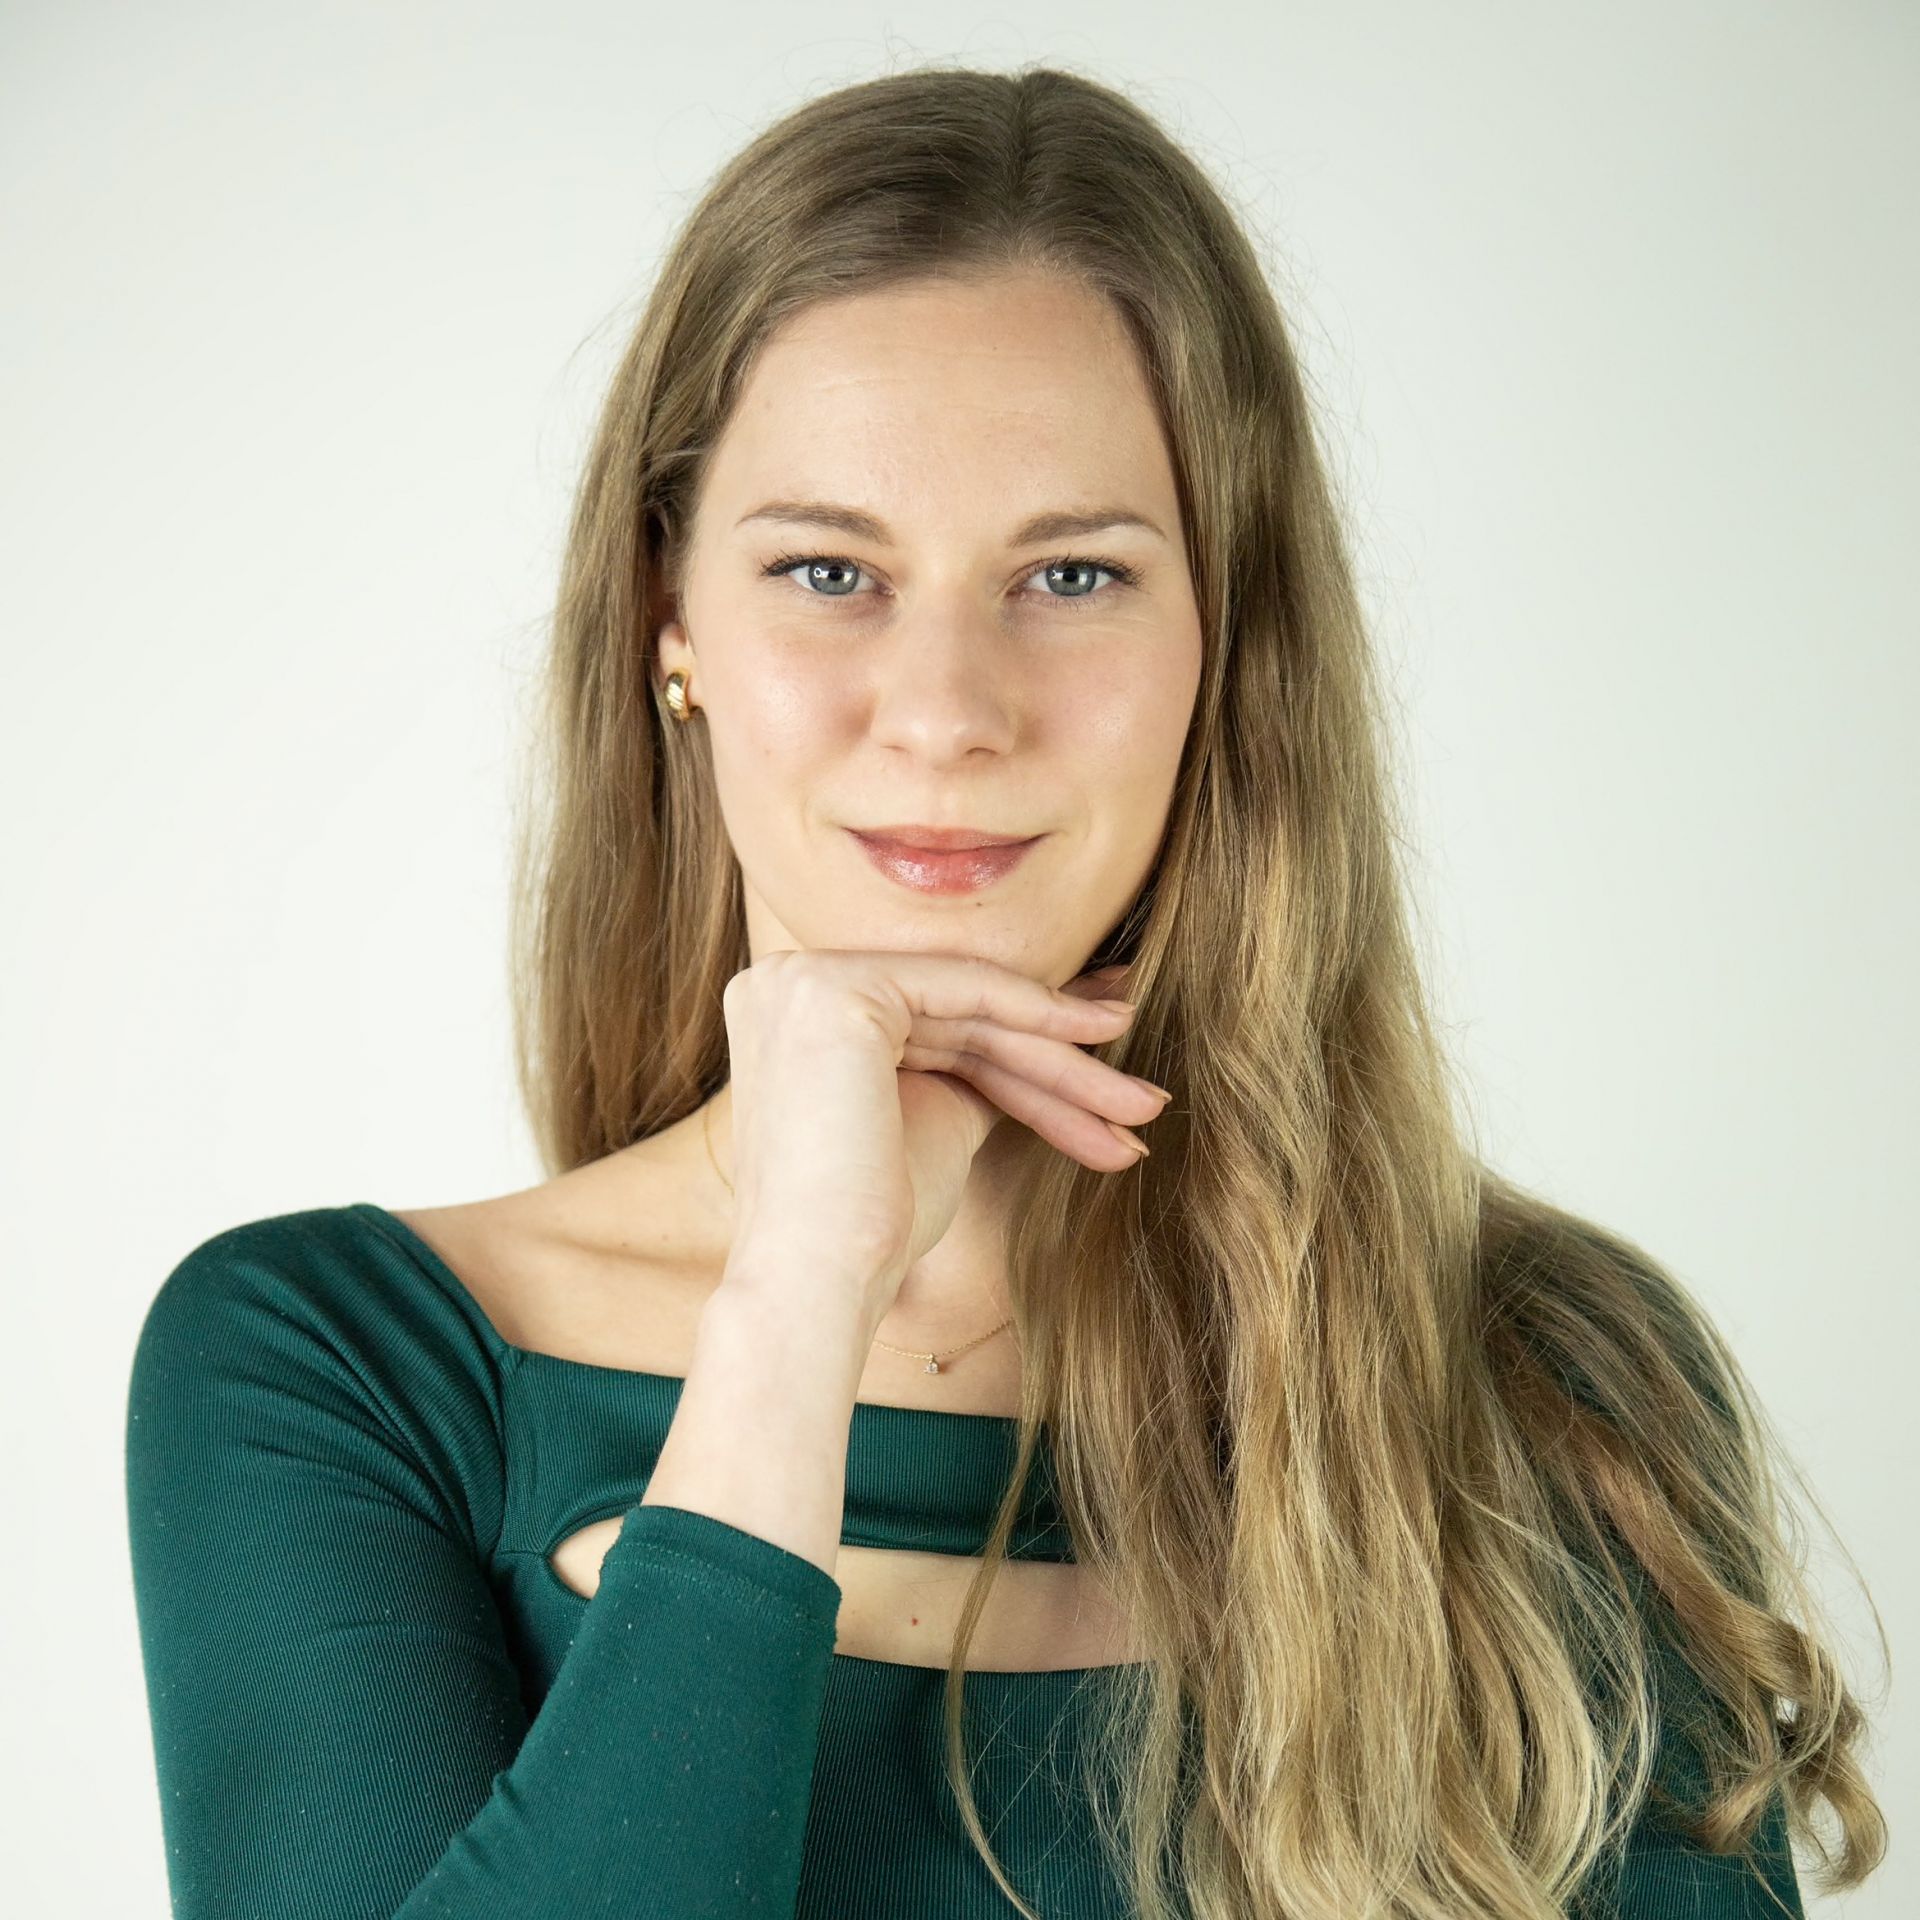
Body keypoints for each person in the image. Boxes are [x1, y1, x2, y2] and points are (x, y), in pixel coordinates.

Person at [124, 62, 1885, 1920]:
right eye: (829, 569)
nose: (950, 709)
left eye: (1070, 575)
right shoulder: (336, 1368)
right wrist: (801, 1292)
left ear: (1227, 634)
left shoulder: (1553, 1375)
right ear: (671, 622)